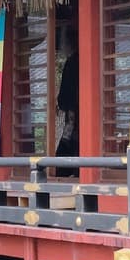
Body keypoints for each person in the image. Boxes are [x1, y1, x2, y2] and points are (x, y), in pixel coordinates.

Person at [54, 31, 79, 176]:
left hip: (74, 113)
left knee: (69, 146)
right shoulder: (74, 61)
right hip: (78, 113)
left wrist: (64, 104)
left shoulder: (72, 62)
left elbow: (64, 96)